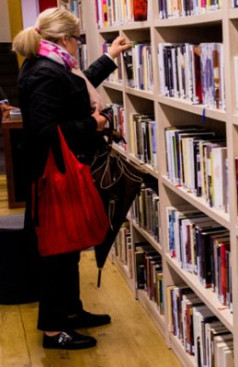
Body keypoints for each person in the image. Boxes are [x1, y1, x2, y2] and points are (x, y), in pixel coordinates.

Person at [12, 7, 132, 350]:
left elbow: (76, 89)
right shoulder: (45, 73)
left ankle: (70, 311)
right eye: (78, 38)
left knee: (69, 247)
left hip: (62, 171)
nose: (79, 44)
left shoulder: (53, 65)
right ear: (65, 39)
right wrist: (91, 125)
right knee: (57, 250)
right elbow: (43, 130)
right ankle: (53, 329)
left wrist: (109, 57)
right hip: (55, 176)